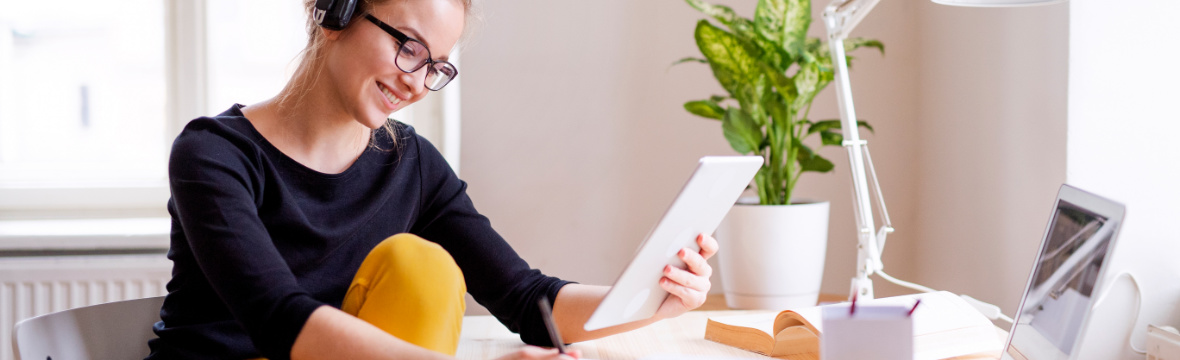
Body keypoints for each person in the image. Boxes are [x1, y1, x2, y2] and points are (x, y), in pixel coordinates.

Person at [147, 0, 719, 359]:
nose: (418, 82)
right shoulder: (214, 155)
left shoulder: (409, 163)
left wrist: (649, 299)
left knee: (423, 269)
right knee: (424, 267)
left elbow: (526, 300)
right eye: (408, 47)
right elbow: (280, 319)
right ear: (336, 12)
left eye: (436, 66)